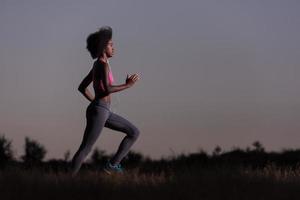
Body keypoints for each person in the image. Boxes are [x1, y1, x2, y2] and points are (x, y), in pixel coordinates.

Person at [70, 26, 140, 176]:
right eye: (110, 45)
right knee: (86, 148)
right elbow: (107, 89)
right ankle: (66, 182)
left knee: (134, 132)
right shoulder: (101, 65)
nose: (113, 47)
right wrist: (128, 85)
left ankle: (112, 165)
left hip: (103, 110)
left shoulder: (99, 64)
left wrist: (95, 102)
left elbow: (82, 87)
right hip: (100, 110)